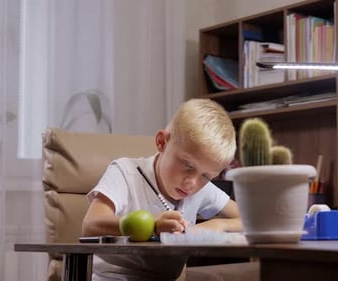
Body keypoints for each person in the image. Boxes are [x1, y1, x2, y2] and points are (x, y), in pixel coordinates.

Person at [81, 98, 242, 280]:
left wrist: (218, 225)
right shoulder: (125, 172)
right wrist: (151, 225)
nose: (192, 182)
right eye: (187, 165)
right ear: (162, 142)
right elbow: (91, 225)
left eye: (206, 176)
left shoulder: (199, 188)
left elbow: (249, 220)